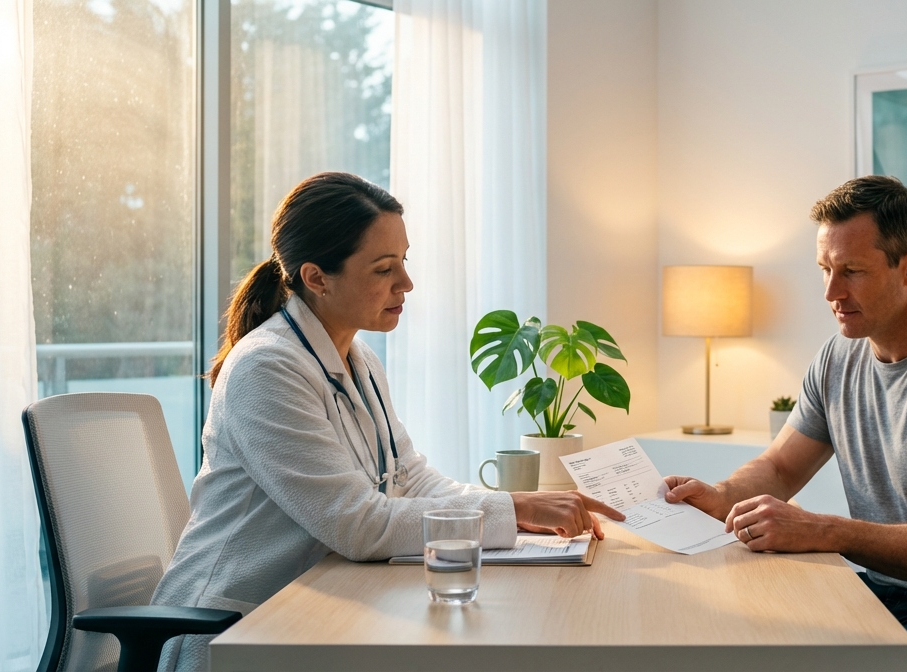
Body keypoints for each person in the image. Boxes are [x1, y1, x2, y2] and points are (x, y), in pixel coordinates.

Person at [150, 172, 623, 671]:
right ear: (316, 278)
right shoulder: (265, 369)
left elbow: (409, 477)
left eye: (403, 260)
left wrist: (517, 513)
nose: (406, 283)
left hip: (320, 607)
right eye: (383, 269)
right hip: (234, 631)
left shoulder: (359, 358)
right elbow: (356, 524)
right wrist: (513, 508)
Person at [663, 175, 907, 662]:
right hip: (876, 588)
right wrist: (721, 495)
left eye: (852, 271)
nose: (832, 291)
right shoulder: (838, 357)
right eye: (825, 269)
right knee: (734, 633)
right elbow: (782, 468)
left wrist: (824, 530)